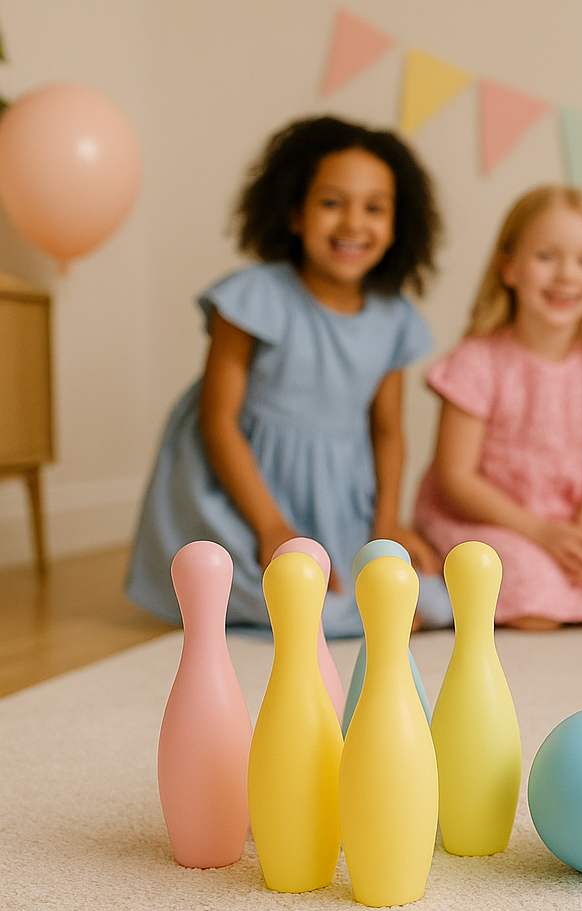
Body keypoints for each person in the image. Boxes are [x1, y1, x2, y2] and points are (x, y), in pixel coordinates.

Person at [126, 116, 447, 637]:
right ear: (295, 213)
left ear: (397, 224)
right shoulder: (253, 298)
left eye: (374, 208)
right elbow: (218, 419)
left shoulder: (395, 319)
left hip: (338, 497)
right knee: (298, 607)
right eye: (331, 202)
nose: (352, 224)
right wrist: (270, 526)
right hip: (246, 492)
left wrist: (385, 525)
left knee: (427, 598)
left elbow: (388, 430)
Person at [412, 186, 582, 630]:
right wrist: (541, 532)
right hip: (497, 518)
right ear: (509, 268)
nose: (566, 276)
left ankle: (578, 556)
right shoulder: (476, 361)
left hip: (579, 517)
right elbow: (456, 477)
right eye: (547, 257)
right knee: (534, 608)